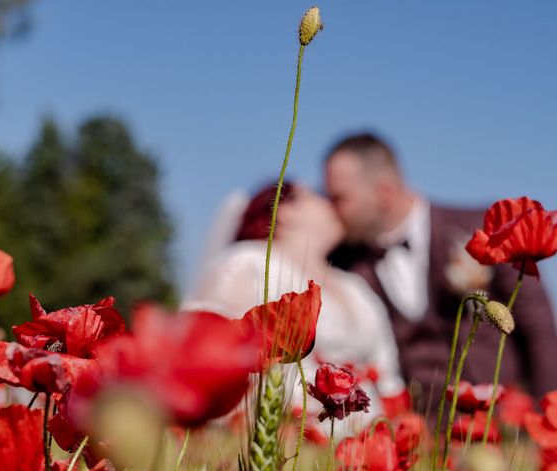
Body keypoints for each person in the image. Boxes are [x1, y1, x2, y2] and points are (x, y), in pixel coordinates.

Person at [324, 132, 557, 408]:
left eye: (340, 198)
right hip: (419, 437)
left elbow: (539, 332)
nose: (332, 210)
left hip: (496, 426)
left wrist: (545, 419)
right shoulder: (343, 262)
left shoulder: (483, 228)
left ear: (384, 192)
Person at [183, 182, 405, 434]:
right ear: (286, 210)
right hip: (283, 434)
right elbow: (205, 343)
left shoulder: (358, 288)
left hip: (361, 445)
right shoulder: (250, 264)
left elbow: (389, 375)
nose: (331, 204)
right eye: (317, 196)